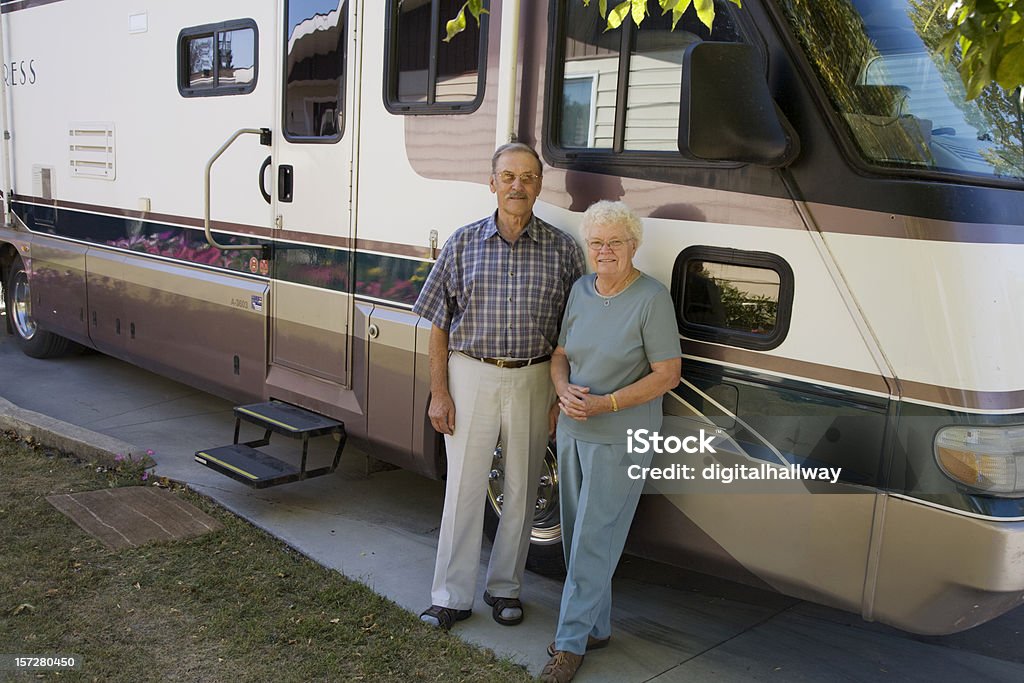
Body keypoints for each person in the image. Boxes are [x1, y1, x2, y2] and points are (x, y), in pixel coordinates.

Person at [413, 142, 584, 630]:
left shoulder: (564, 249)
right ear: (492, 184)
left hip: (535, 376)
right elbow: (438, 324)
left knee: (523, 487)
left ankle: (505, 589)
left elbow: (572, 332)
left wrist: (559, 394)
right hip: (471, 373)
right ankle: (451, 595)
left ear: (538, 185)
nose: (517, 185)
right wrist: (440, 392)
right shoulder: (463, 243)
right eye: (508, 176)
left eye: (528, 177)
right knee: (464, 487)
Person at [540, 200, 681, 683]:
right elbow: (560, 354)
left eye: (615, 242)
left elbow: (668, 375)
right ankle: (596, 626)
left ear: (633, 246)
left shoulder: (650, 298)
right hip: (576, 429)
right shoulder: (580, 290)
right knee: (577, 534)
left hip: (622, 435)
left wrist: (608, 405)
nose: (604, 251)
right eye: (596, 243)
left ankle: (569, 644)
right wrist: (560, 390)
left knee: (594, 540)